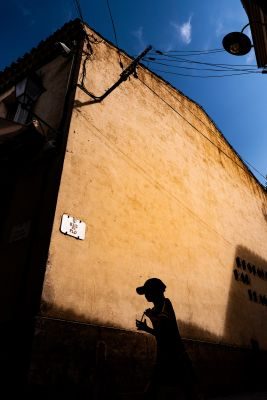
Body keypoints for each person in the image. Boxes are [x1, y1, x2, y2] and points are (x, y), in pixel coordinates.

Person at [136, 278, 197, 399]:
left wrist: (152, 317)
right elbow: (161, 334)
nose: (146, 295)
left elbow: (166, 328)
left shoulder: (166, 303)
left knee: (185, 387)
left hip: (175, 353)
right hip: (164, 354)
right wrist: (146, 328)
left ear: (156, 292)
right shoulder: (154, 310)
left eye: (148, 292)